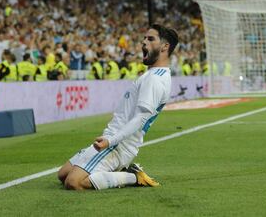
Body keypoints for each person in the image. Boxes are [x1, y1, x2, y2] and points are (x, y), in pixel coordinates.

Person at [57, 24, 179, 191]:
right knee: (63, 174)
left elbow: (140, 118)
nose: (144, 42)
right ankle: (118, 170)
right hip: (113, 137)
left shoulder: (155, 79)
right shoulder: (152, 75)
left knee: (74, 182)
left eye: (151, 39)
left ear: (165, 47)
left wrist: (110, 141)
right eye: (144, 38)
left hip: (120, 144)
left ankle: (133, 176)